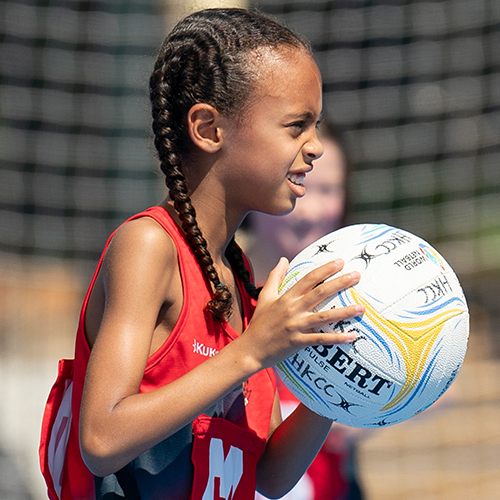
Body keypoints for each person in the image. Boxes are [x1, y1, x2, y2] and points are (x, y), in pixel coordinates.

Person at [39, 8, 366, 500]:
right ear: (209, 128)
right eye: (296, 126)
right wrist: (253, 351)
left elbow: (270, 477)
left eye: (316, 125)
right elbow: (101, 440)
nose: (315, 146)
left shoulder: (238, 276)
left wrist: (341, 388)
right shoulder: (150, 246)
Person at [242, 122, 366, 500]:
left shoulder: (366, 286)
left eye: (329, 189)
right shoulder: (217, 284)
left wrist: (370, 415)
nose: (310, 210)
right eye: (302, 185)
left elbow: (443, 381)